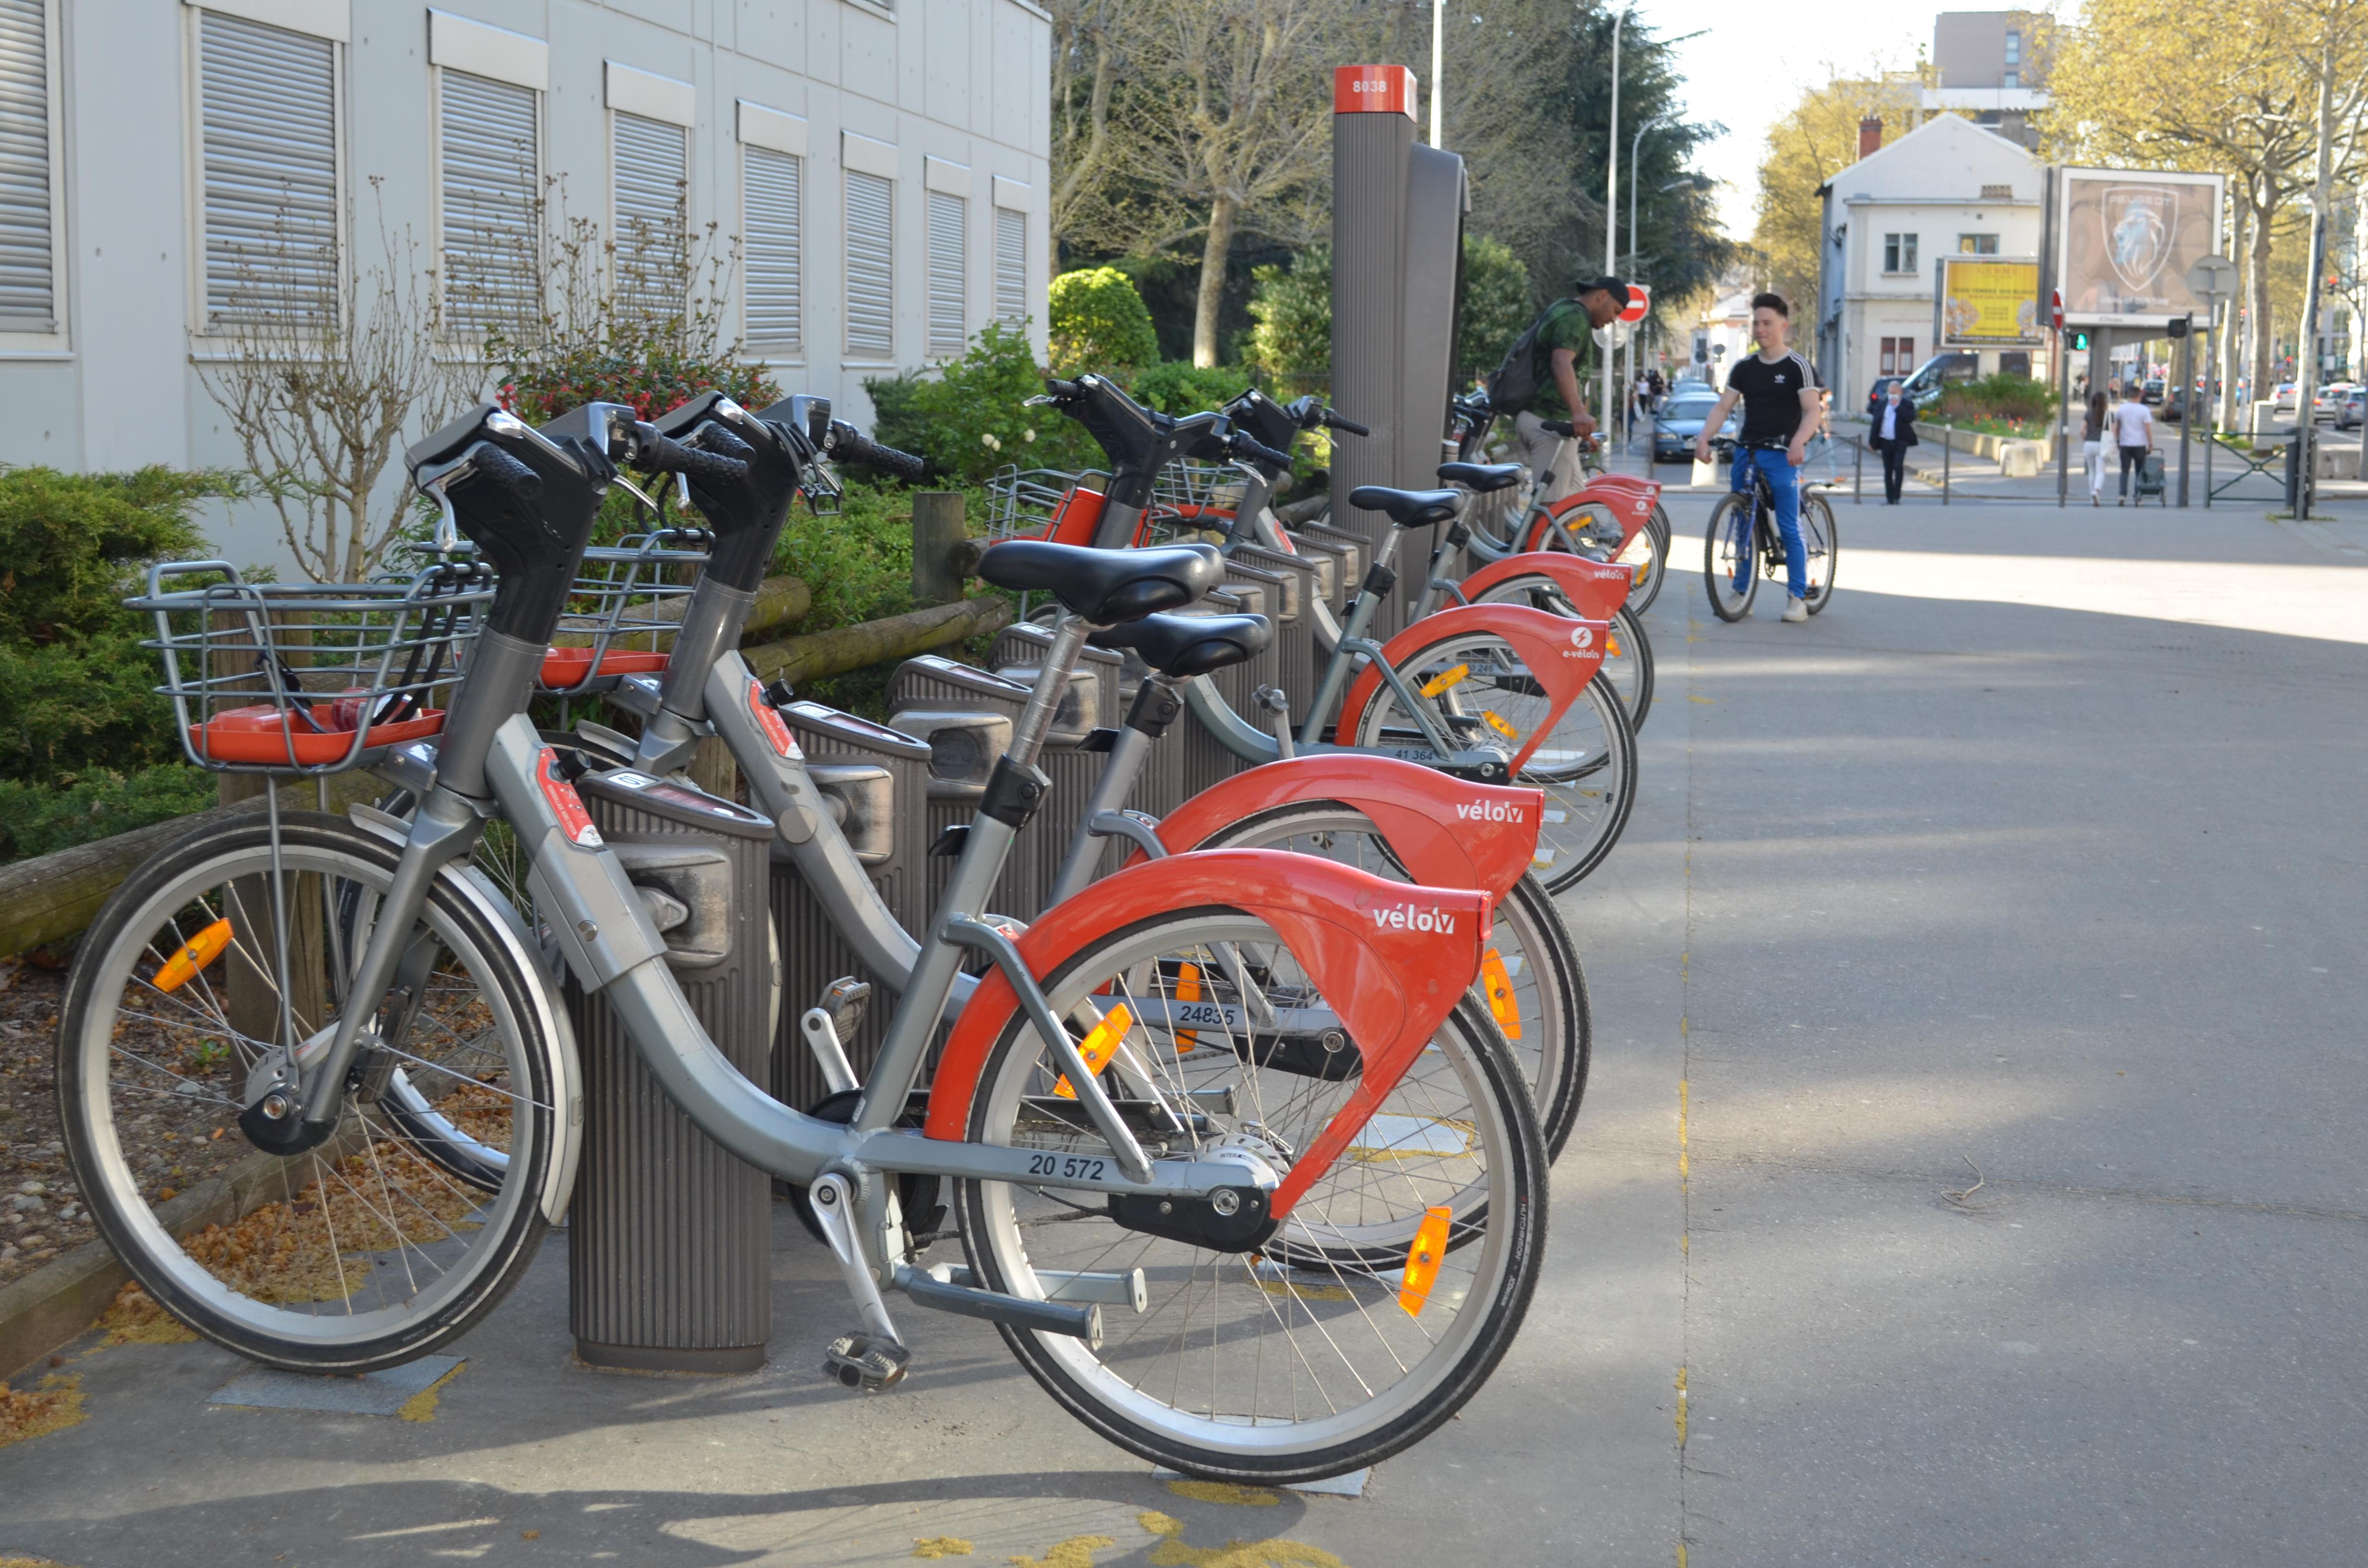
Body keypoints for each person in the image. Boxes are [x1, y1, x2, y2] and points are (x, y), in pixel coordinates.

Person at [1692, 292, 1823, 623]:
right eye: (1757, 323)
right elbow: (1723, 407)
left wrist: (1798, 442)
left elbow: (1812, 411)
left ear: (1784, 326)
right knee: (1742, 520)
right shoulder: (1744, 368)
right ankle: (1742, 591)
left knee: (1789, 525)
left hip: (1782, 454)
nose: (1761, 329)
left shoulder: (1798, 367)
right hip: (1747, 452)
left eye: (1768, 323)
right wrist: (1704, 437)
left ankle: (1797, 598)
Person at [1510, 277, 1630, 504]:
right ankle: (1542, 531)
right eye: (1616, 311)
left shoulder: (1565, 310)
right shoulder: (1575, 317)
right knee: (1553, 509)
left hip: (1552, 423)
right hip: (1547, 424)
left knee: (1575, 510)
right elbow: (1561, 362)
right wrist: (1578, 413)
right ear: (1602, 295)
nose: (1614, 319)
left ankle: (1561, 530)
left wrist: (1582, 430)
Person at [1869, 380, 1918, 503]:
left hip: (1900, 440)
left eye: (1895, 393)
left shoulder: (1906, 404)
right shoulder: (1883, 404)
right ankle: (1889, 498)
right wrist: (1872, 442)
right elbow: (1876, 423)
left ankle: (1897, 496)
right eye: (1890, 394)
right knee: (1888, 470)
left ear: (1900, 392)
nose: (1892, 396)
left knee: (1898, 466)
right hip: (1886, 440)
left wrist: (1897, 406)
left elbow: (1910, 418)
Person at [2110, 381, 2154, 505]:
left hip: (2125, 444)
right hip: (2140, 445)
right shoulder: (2144, 410)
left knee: (2124, 471)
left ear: (2129, 396)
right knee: (2139, 471)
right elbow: (2147, 429)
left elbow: (2118, 427)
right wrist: (2150, 444)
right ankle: (2138, 495)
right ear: (2140, 396)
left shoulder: (2122, 409)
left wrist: (2118, 440)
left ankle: (2122, 495)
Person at [2081, 389, 2110, 505]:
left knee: (2092, 471)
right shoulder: (2108, 415)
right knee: (2101, 472)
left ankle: (2091, 495)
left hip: (2088, 444)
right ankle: (2096, 491)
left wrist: (2086, 439)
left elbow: (2082, 430)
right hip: (2101, 445)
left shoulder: (2088, 414)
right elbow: (2113, 432)